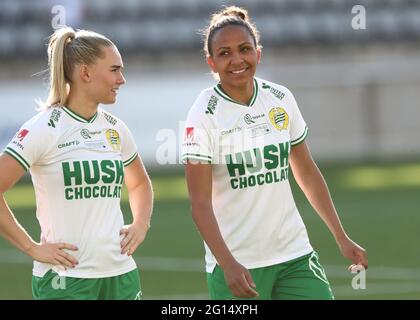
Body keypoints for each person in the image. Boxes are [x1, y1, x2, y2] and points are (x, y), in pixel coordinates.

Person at [182, 6, 368, 300]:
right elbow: (200, 203)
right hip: (239, 265)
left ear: (259, 53)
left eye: (244, 49)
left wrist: (340, 236)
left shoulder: (280, 98)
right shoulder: (202, 115)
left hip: (295, 256)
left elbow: (306, 171)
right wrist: (227, 263)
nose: (237, 60)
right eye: (224, 53)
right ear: (211, 62)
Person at [0, 27, 153, 300]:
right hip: (64, 279)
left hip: (120, 274)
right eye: (115, 70)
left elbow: (140, 183)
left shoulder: (115, 129)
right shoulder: (44, 128)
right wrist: (31, 247)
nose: (122, 79)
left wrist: (141, 223)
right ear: (85, 73)